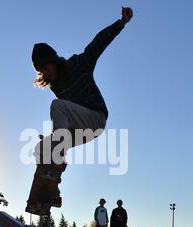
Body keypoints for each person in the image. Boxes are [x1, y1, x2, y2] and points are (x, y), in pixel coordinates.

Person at [26, 7, 134, 214]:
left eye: (47, 67)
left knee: (57, 106)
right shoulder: (53, 84)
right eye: (42, 71)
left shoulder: (79, 64)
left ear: (54, 60)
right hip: (80, 129)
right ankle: (53, 192)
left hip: (95, 118)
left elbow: (98, 43)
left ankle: (56, 152)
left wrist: (121, 22)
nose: (47, 74)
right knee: (41, 148)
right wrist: (52, 142)